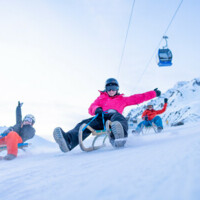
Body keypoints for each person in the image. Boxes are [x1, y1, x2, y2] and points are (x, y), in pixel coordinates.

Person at [53, 78, 161, 152]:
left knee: (119, 119)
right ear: (106, 89)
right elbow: (91, 107)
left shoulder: (122, 99)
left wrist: (154, 93)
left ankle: (119, 137)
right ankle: (68, 141)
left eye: (114, 88)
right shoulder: (101, 98)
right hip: (101, 117)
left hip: (114, 118)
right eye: (109, 88)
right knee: (85, 123)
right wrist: (97, 109)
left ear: (117, 89)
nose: (111, 90)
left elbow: (138, 97)